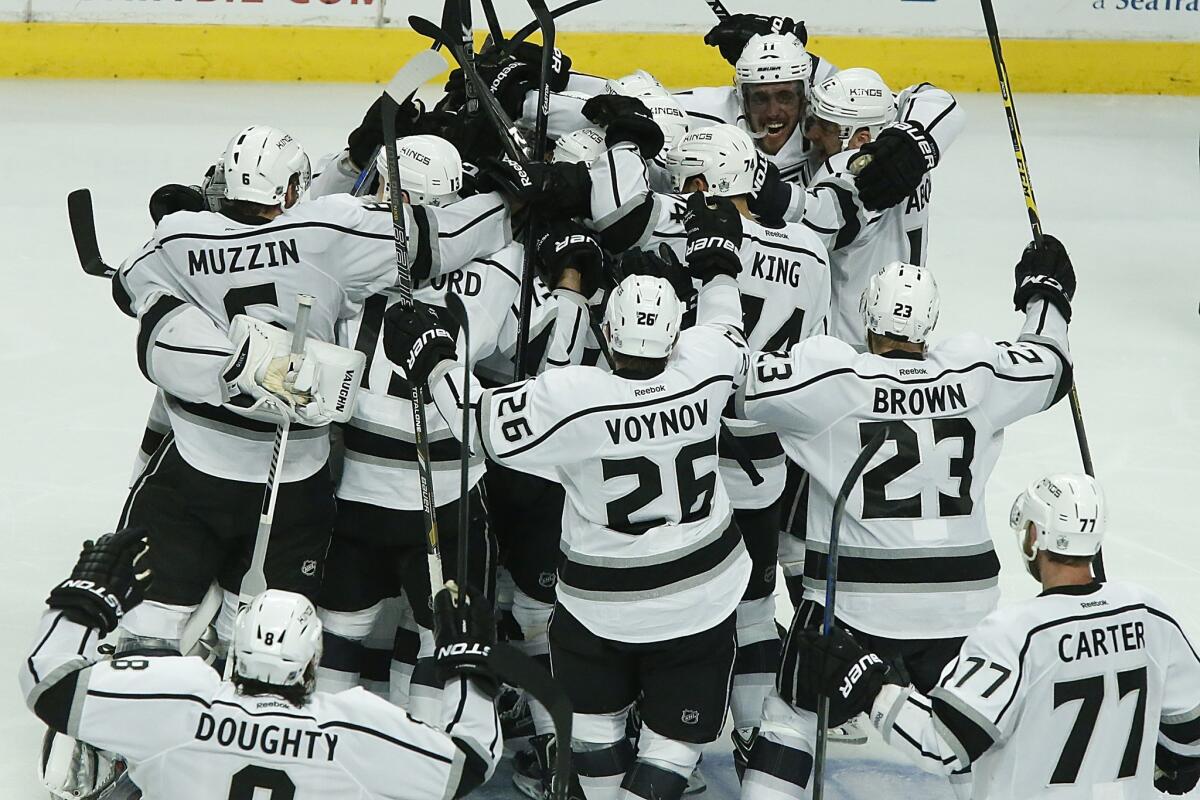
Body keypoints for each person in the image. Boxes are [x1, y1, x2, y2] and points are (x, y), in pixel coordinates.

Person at [383, 198, 753, 800]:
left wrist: (434, 360)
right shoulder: (706, 368)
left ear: (606, 332)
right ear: (674, 333)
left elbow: (479, 426)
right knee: (674, 745)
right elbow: (725, 325)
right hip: (703, 596)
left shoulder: (572, 397)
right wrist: (718, 270)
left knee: (593, 734)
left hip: (599, 605)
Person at [112, 122, 518, 659]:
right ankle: (253, 716)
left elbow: (128, 286)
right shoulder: (329, 235)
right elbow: (440, 239)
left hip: (194, 469)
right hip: (295, 479)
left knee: (152, 616)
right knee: (260, 634)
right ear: (286, 193)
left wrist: (193, 250)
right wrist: (510, 196)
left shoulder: (179, 238)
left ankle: (138, 703)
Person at [732, 238, 1079, 799]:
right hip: (961, 607)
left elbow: (735, 383)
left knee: (790, 718)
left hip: (853, 608)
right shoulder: (977, 373)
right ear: (929, 323)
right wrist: (1046, 299)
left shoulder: (832, 381)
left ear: (867, 316)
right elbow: (1053, 367)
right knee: (969, 735)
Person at [790, 473, 1200, 799]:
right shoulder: (1148, 613)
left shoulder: (1016, 634)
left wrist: (869, 685)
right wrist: (1177, 760)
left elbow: (942, 744)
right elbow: (1190, 732)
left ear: (1034, 537)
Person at [19, 528, 503, 800]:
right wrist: (466, 668)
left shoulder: (180, 698)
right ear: (314, 660)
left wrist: (86, 601)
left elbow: (47, 680)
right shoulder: (355, 726)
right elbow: (470, 762)